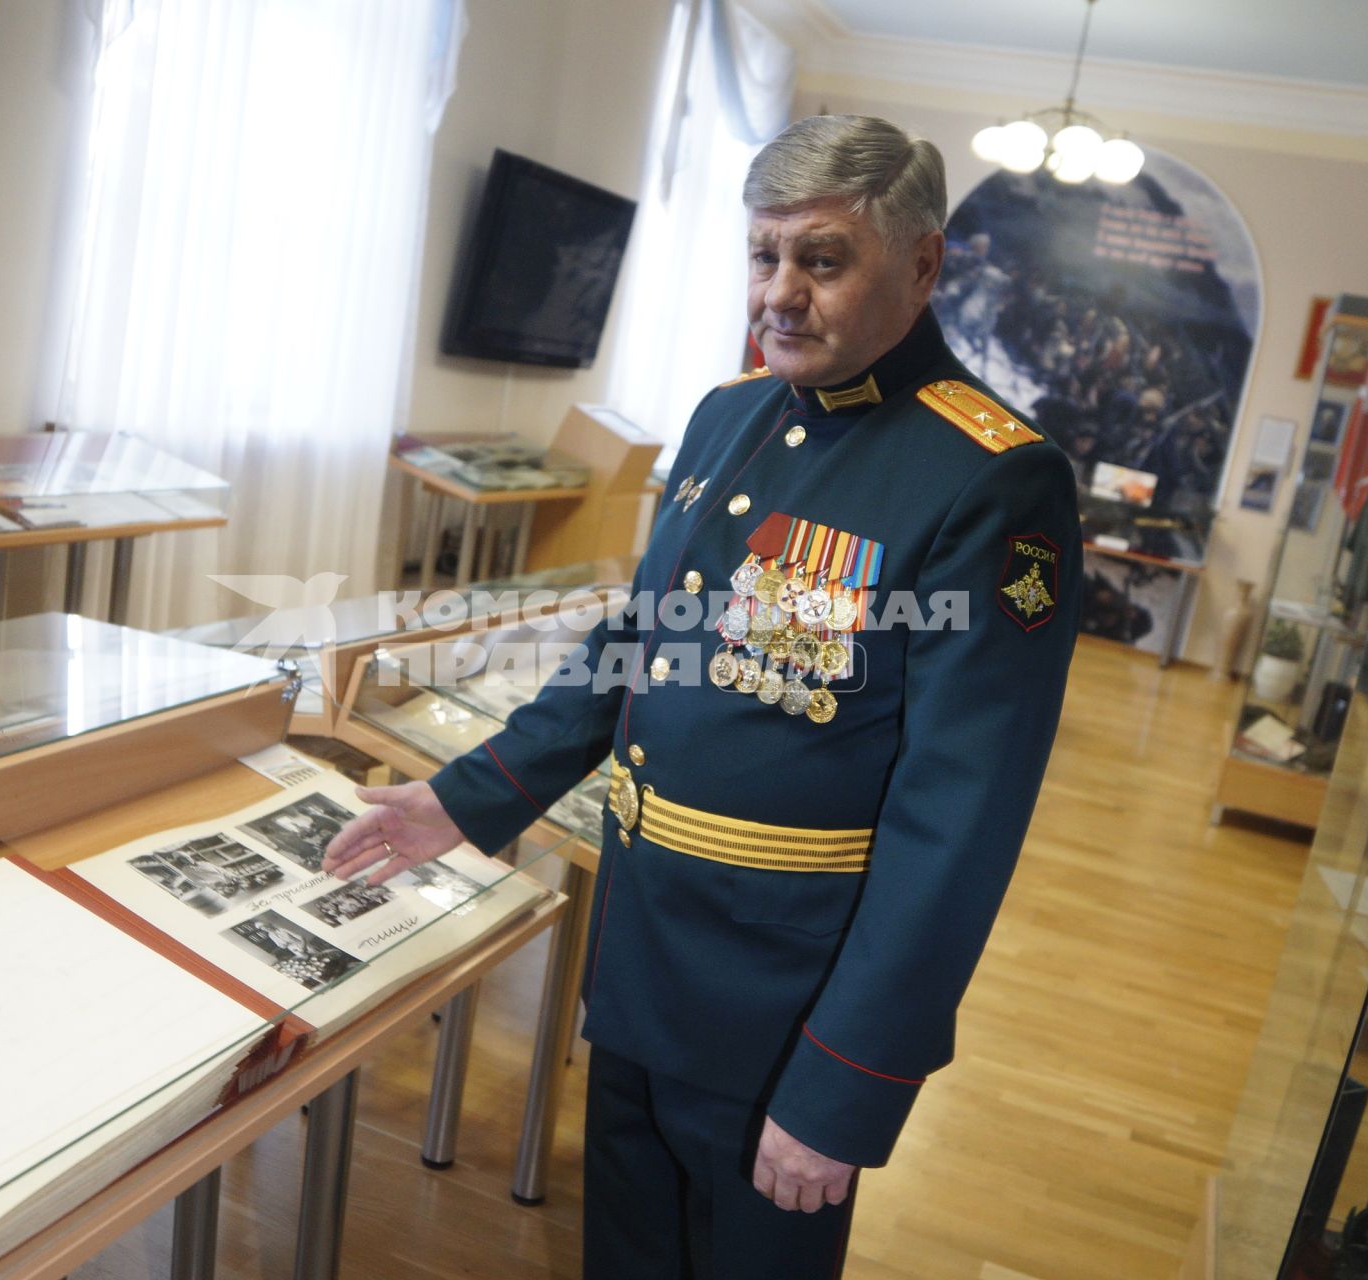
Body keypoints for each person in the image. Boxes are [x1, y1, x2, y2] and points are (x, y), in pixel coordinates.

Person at [324, 115, 1082, 1279]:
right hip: (641, 956)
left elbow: (959, 820)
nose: (780, 293)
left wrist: (848, 1079)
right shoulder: (729, 416)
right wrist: (463, 801)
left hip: (785, 1008)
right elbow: (637, 646)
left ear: (922, 266)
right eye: (762, 254)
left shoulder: (989, 476)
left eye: (822, 260)